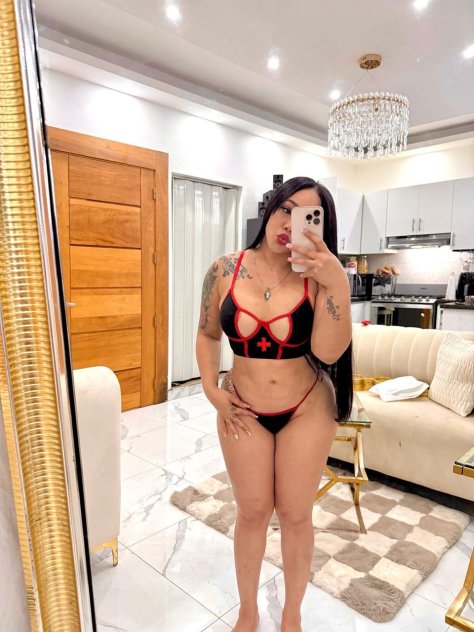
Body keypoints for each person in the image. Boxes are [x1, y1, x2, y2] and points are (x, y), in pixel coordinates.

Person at [195, 176, 353, 632]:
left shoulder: (318, 278)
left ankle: (291, 616)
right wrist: (211, 390)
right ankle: (248, 612)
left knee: (296, 515)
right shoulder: (224, 269)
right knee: (251, 512)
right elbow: (207, 334)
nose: (289, 223)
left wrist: (336, 282)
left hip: (306, 409)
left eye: (306, 215)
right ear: (270, 208)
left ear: (319, 226)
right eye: (286, 209)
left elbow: (326, 353)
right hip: (241, 408)